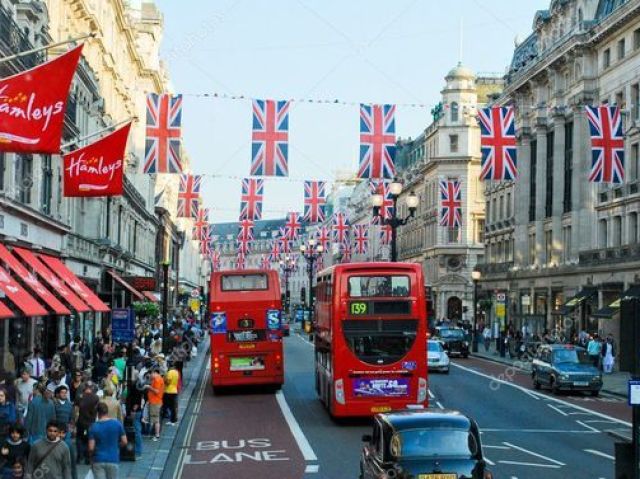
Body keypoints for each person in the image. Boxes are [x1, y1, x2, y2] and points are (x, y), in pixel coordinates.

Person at [88, 403, 127, 479]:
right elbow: (125, 441)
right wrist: (117, 446)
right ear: (107, 411)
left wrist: (90, 458)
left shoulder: (93, 427)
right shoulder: (117, 424)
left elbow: (91, 447)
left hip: (98, 459)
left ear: (97, 413)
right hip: (113, 459)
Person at [74, 384, 99, 465]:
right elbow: (96, 410)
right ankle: (88, 458)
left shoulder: (79, 397)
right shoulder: (95, 397)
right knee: (89, 439)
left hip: (81, 422)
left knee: (79, 439)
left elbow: (76, 410)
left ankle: (79, 456)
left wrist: (74, 421)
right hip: (90, 422)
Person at [145, 369, 164, 441]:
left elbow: (157, 391)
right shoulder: (157, 379)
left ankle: (156, 435)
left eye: (149, 376)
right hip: (155, 401)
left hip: (155, 402)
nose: (149, 377)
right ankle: (154, 434)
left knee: (155, 419)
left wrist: (149, 387)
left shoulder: (157, 379)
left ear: (153, 373)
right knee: (154, 418)